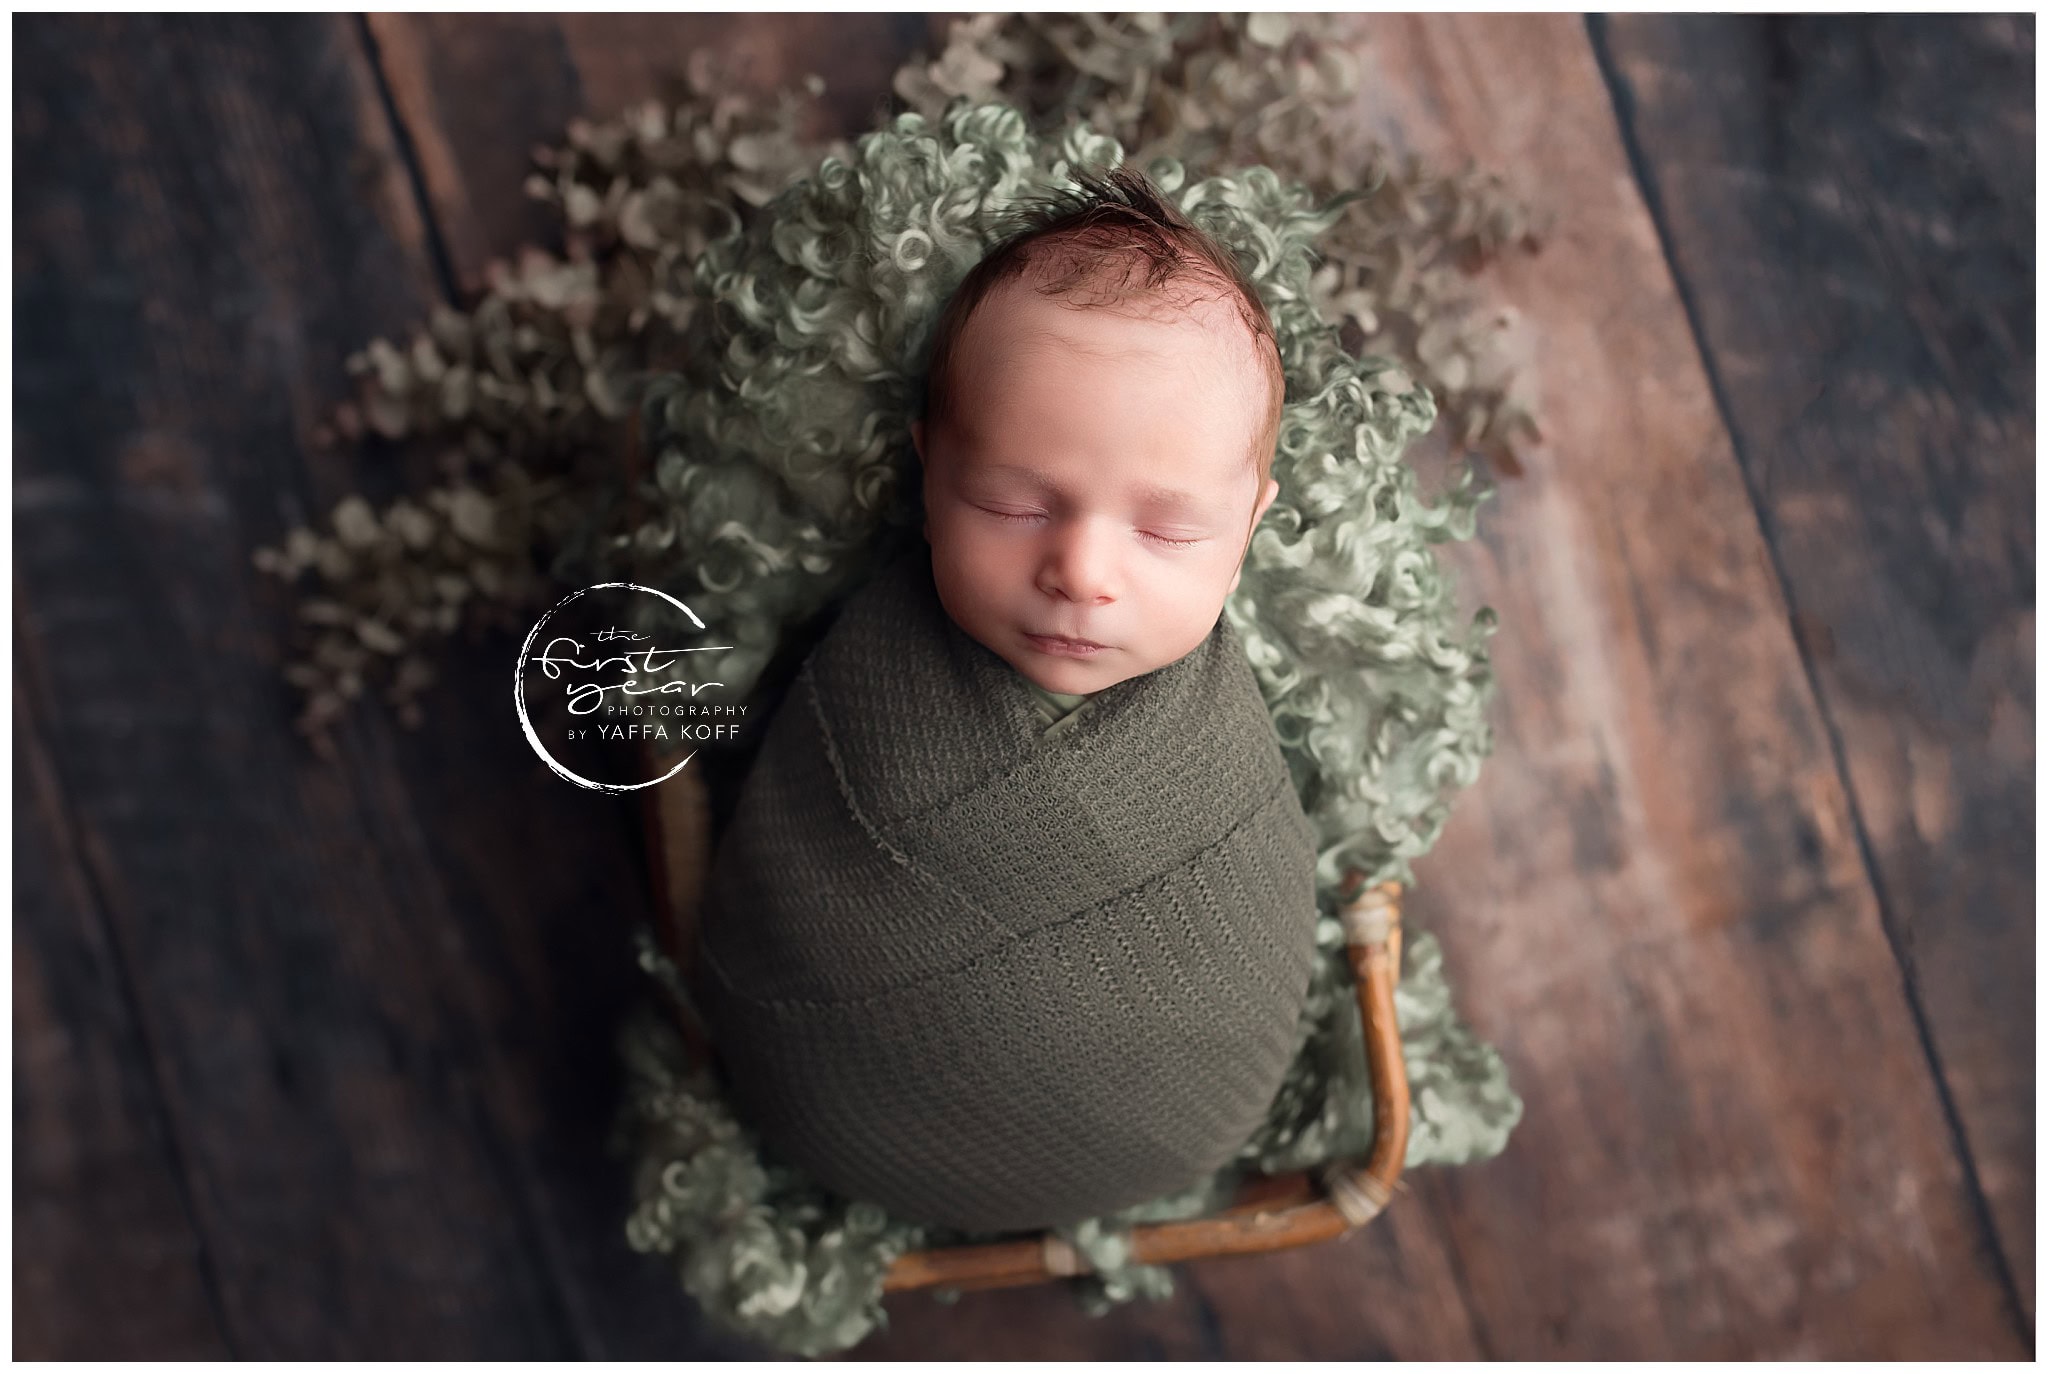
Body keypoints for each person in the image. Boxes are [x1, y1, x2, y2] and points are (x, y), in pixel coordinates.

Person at [691, 166, 1320, 1235]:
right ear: (928, 469)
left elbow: (1271, 932)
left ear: (1252, 518)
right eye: (1012, 503)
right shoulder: (868, 669)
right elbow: (777, 859)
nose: (1081, 570)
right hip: (823, 1099)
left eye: (1165, 530)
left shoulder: (1226, 745)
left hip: (1176, 1122)